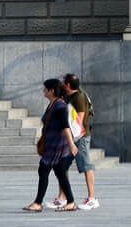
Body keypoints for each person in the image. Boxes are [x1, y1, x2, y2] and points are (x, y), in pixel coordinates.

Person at [26, 78, 78, 213]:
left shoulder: (60, 106)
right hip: (52, 143)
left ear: (52, 90)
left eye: (45, 89)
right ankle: (71, 202)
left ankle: (38, 203)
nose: (43, 91)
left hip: (58, 145)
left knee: (44, 170)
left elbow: (65, 127)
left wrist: (71, 145)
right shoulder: (52, 104)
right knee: (59, 173)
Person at [55, 74, 99, 211]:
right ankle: (62, 198)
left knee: (85, 165)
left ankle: (92, 198)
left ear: (68, 85)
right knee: (62, 166)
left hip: (80, 137)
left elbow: (79, 120)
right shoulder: (69, 96)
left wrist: (71, 138)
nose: (61, 84)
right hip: (71, 137)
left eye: (63, 82)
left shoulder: (79, 97)